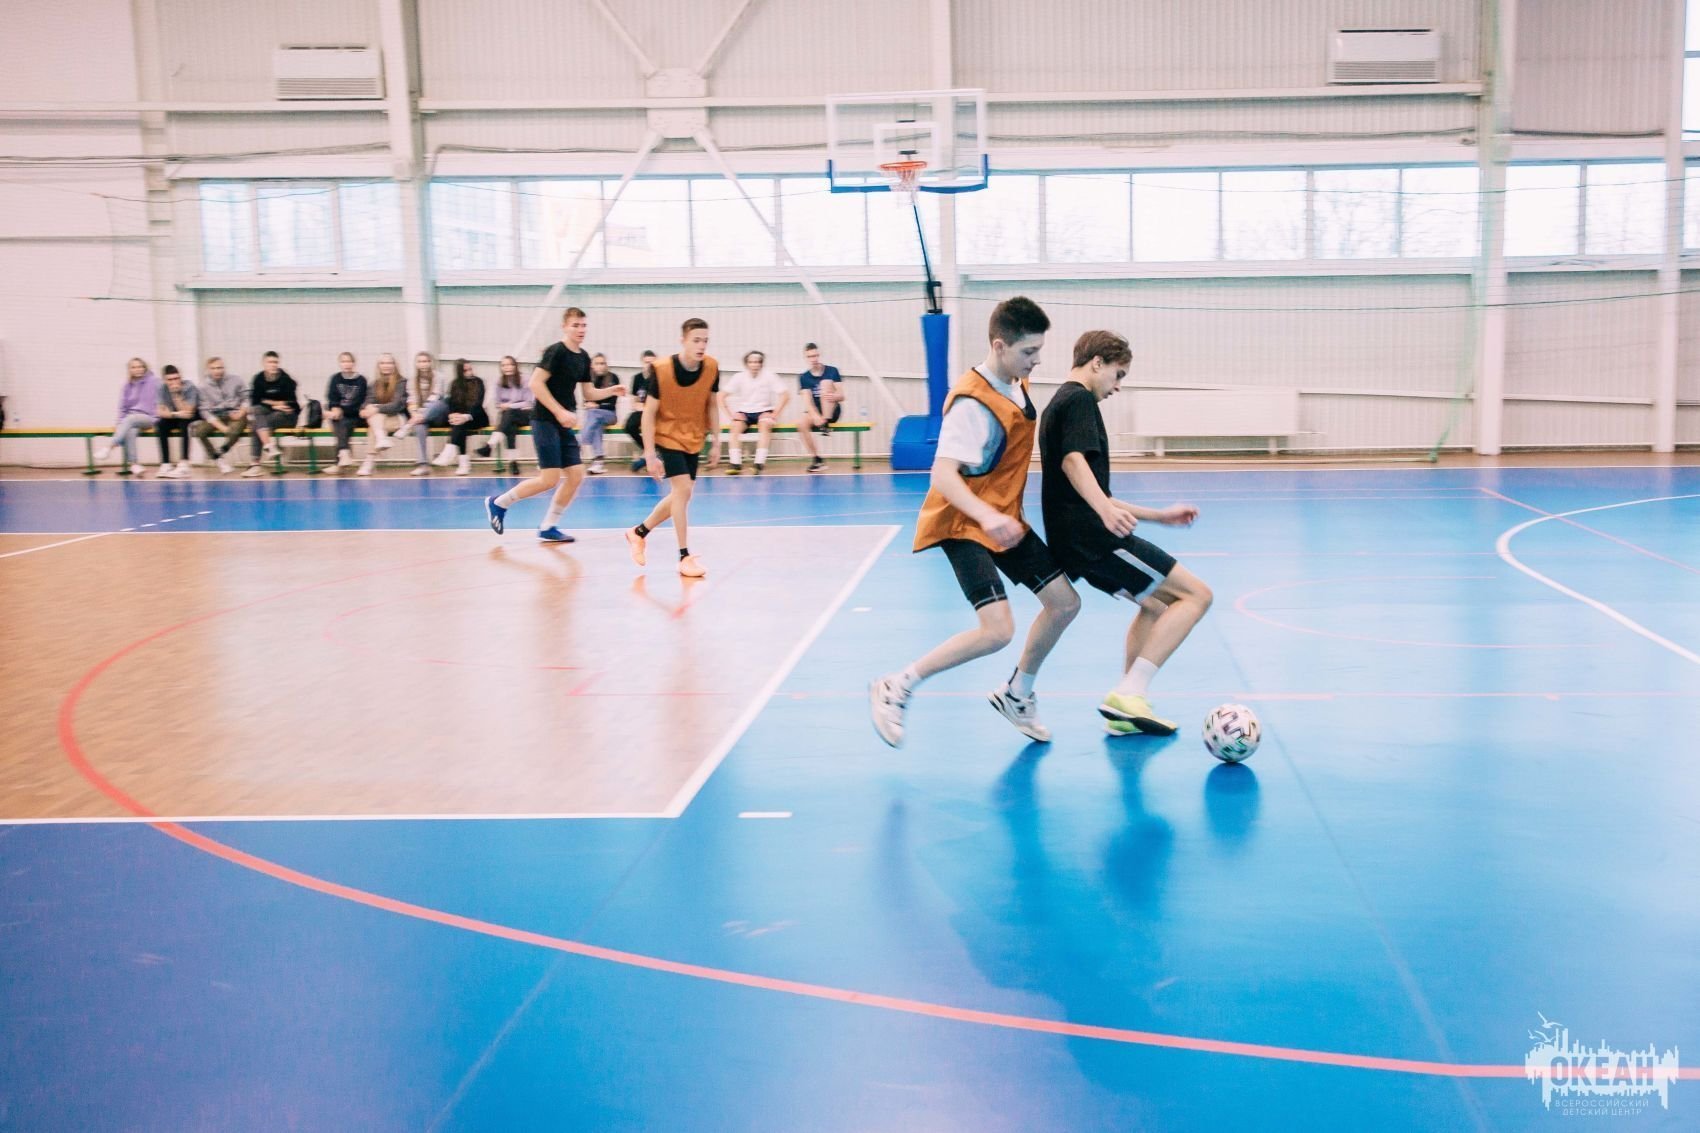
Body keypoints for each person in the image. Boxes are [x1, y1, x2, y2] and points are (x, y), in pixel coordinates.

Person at [869, 297, 1080, 748]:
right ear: (1000, 346)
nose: (1037, 359)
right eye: (1029, 351)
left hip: (1001, 517)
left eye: (1040, 350)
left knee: (1064, 603)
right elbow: (943, 474)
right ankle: (896, 685)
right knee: (998, 630)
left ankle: (1017, 695)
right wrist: (986, 515)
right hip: (963, 523)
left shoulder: (1015, 382)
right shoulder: (972, 403)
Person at [1039, 331, 1210, 735]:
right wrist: (1103, 511)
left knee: (1154, 605)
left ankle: (1124, 710)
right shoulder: (1078, 399)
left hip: (1075, 541)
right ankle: (1131, 691)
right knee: (1197, 595)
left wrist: (1159, 516)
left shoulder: (1058, 403)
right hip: (1093, 539)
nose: (1117, 387)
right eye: (1118, 375)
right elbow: (1073, 463)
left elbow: (1097, 491)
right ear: (1096, 362)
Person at [484, 308, 591, 543]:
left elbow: (589, 392)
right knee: (549, 479)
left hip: (563, 422)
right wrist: (559, 411)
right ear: (565, 327)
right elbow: (535, 383)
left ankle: (549, 526)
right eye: (575, 325)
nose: (580, 329)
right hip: (544, 420)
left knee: (576, 475)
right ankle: (499, 502)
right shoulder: (556, 351)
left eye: (583, 325)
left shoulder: (583, 357)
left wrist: (612, 390)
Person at [624, 318, 720, 577]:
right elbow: (648, 413)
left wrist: (717, 441)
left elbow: (712, 405)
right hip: (667, 436)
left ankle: (638, 532)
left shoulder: (712, 367)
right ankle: (684, 556)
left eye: (705, 340)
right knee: (683, 490)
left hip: (694, 436)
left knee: (682, 495)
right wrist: (649, 454)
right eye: (696, 340)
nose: (701, 345)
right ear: (683, 341)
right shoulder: (662, 369)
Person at [720, 350, 787, 475]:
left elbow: (785, 395)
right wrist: (731, 415)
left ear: (761, 364)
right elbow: (721, 396)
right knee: (734, 427)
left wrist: (774, 414)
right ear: (746, 364)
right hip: (745, 412)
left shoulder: (770, 376)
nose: (754, 365)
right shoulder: (739, 377)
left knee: (765, 426)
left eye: (757, 362)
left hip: (764, 411)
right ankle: (735, 464)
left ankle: (759, 463)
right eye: (751, 362)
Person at [94, 357, 159, 477]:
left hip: (149, 417)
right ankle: (134, 464)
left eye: (140, 366)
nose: (137, 369)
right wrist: (119, 424)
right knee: (131, 430)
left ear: (145, 368)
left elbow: (163, 397)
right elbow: (122, 408)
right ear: (130, 370)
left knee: (130, 419)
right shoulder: (126, 386)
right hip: (131, 420)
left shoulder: (154, 381)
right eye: (134, 367)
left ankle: (109, 447)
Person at [243, 351, 299, 478]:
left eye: (275, 362)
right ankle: (269, 446)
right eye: (270, 362)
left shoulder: (286, 380)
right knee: (257, 411)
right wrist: (274, 405)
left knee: (256, 424)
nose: (273, 365)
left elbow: (292, 403)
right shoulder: (258, 379)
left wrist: (271, 403)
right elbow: (254, 402)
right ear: (263, 364)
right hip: (268, 413)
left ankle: (255, 464)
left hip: (287, 416)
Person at [431, 359, 488, 476]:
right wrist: (452, 414)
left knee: (460, 423)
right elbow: (451, 403)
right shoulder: (455, 384)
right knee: (459, 424)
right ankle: (461, 462)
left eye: (470, 369)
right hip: (460, 418)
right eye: (465, 370)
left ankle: (452, 453)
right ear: (459, 371)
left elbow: (478, 404)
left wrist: (466, 416)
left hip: (477, 417)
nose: (469, 372)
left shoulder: (478, 382)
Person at [193, 357, 248, 474]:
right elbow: (204, 411)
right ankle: (217, 458)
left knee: (233, 431)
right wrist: (222, 427)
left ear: (224, 368)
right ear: (208, 370)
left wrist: (241, 412)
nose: (217, 371)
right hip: (216, 416)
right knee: (199, 431)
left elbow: (247, 399)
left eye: (219, 368)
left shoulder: (236, 380)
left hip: (235, 412)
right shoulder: (202, 387)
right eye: (213, 368)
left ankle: (221, 451)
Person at [477, 355, 530, 475]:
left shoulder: (525, 379)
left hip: (526, 414)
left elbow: (529, 402)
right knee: (510, 426)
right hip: (509, 415)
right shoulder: (499, 381)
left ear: (515, 366)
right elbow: (498, 403)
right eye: (504, 365)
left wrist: (510, 405)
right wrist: (506, 406)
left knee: (508, 414)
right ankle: (513, 463)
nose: (507, 367)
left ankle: (490, 445)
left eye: (510, 364)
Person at [356, 353, 408, 476]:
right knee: (372, 415)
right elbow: (368, 401)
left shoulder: (402, 382)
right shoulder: (374, 384)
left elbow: (396, 406)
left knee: (373, 424)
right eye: (383, 363)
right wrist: (363, 409)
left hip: (398, 419)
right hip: (379, 420)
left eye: (389, 363)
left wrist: (376, 408)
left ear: (395, 365)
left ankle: (369, 461)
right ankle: (380, 440)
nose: (386, 365)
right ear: (378, 366)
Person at [796, 342, 843, 473]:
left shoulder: (832, 371)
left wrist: (834, 396)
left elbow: (842, 395)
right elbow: (807, 401)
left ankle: (825, 423)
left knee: (825, 384)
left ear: (819, 355)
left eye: (815, 355)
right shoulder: (804, 377)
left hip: (832, 409)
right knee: (801, 424)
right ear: (806, 358)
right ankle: (817, 459)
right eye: (810, 356)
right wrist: (815, 415)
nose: (814, 359)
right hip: (816, 411)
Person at [396, 351, 441, 476]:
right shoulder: (412, 380)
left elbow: (435, 397)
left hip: (438, 415)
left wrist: (418, 415)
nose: (423, 364)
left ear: (430, 363)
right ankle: (423, 465)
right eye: (420, 361)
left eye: (426, 361)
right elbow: (411, 400)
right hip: (421, 417)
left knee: (437, 403)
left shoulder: (438, 377)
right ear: (416, 364)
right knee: (419, 427)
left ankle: (408, 425)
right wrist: (415, 414)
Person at [578, 352, 624, 475]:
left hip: (610, 415)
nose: (600, 366)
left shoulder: (613, 378)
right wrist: (592, 405)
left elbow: (612, 404)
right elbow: (586, 403)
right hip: (594, 417)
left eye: (603, 363)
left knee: (593, 414)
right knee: (596, 423)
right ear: (592, 366)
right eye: (597, 363)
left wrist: (597, 405)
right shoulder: (589, 380)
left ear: (606, 365)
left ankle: (579, 443)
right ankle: (598, 460)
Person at [323, 351, 368, 473]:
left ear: (354, 363)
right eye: (343, 361)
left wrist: (339, 411)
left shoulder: (361, 380)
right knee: (338, 421)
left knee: (339, 421)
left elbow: (359, 402)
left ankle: (341, 458)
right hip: (341, 416)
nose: (346, 364)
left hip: (357, 416)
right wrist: (334, 408)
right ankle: (344, 455)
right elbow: (331, 397)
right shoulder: (335, 378)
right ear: (339, 363)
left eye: (349, 361)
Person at [154, 365, 199, 478]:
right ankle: (166, 464)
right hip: (176, 415)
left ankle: (184, 464)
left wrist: (176, 395)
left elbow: (188, 411)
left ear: (180, 377)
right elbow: (160, 412)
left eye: (176, 378)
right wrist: (176, 414)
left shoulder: (190, 387)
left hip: (193, 415)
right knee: (160, 424)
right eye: (170, 380)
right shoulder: (162, 388)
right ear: (165, 380)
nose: (174, 382)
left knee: (185, 423)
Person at [626, 350, 657, 472]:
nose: (649, 365)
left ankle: (650, 453)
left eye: (652, 362)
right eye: (647, 362)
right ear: (642, 363)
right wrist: (637, 405)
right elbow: (634, 400)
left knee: (651, 426)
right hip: (641, 410)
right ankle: (649, 449)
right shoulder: (637, 378)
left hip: (654, 412)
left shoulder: (658, 379)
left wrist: (647, 408)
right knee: (629, 426)